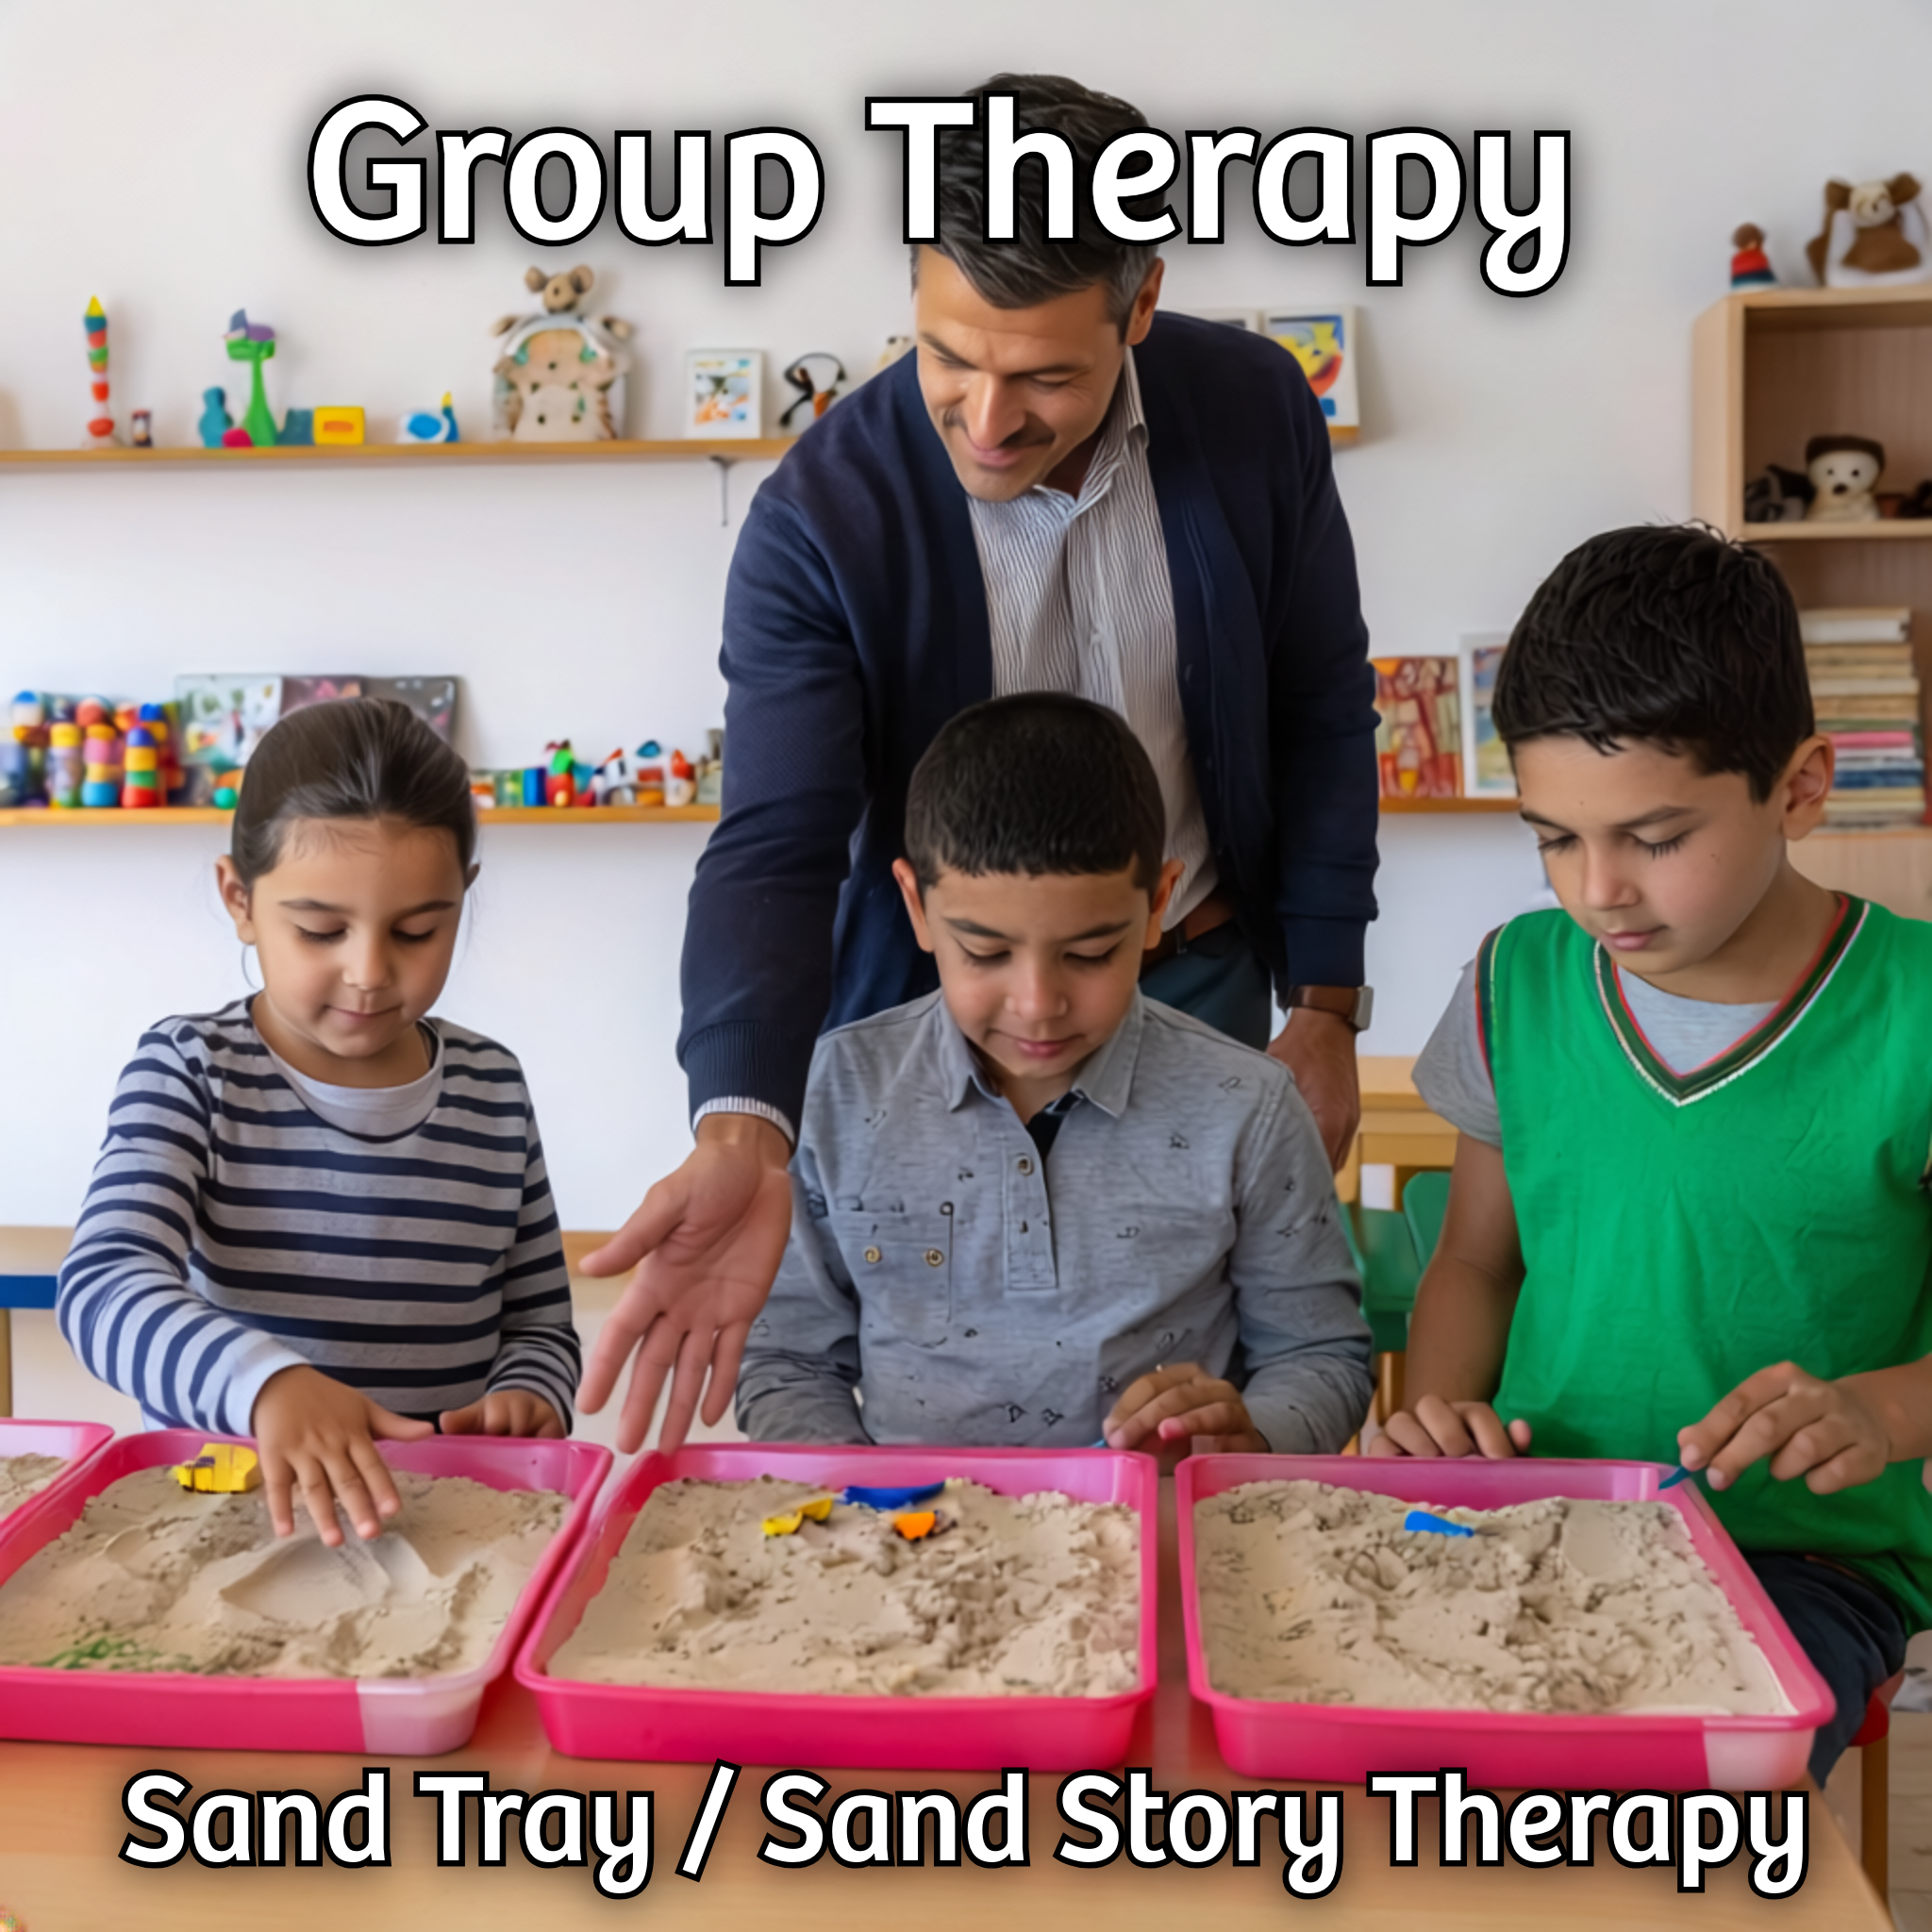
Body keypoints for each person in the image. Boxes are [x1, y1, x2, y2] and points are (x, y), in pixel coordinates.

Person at [580, 73, 1380, 1452]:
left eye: (1048, 374)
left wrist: (1325, 999)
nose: (990, 417)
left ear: (1141, 306)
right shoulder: (819, 516)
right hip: (922, 991)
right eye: (951, 354)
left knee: (1203, 1361)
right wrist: (745, 1121)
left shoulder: (1253, 408)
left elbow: (1318, 701)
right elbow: (774, 838)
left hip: (1190, 952)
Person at [1373, 524, 1932, 1782]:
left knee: (1667, 1781)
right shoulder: (1518, 982)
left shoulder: (1916, 1010)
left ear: (1798, 787)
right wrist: (1437, 1427)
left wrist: (1877, 1412)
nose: (1598, 890)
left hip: (1798, 1559)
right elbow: (1474, 1263)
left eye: (1656, 838)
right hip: (1527, 1513)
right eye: (1554, 838)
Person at [735, 692, 1373, 1459]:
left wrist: (1253, 1435)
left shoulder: (1250, 1106)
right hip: (904, 1539)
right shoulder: (834, 1091)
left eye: (1091, 953)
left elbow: (1321, 1358)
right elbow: (787, 1361)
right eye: (987, 953)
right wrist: (855, 1497)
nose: (1038, 1005)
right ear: (918, 905)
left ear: (1159, 904)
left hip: (1159, 1530)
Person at [58, 699, 580, 1547]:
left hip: (442, 1524)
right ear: (239, 898)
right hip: (231, 1518)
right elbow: (102, 1286)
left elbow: (539, 1321)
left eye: (418, 929)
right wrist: (267, 1384)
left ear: (462, 898)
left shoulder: (492, 1085)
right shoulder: (192, 1067)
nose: (369, 972)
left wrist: (530, 1393)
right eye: (319, 929)